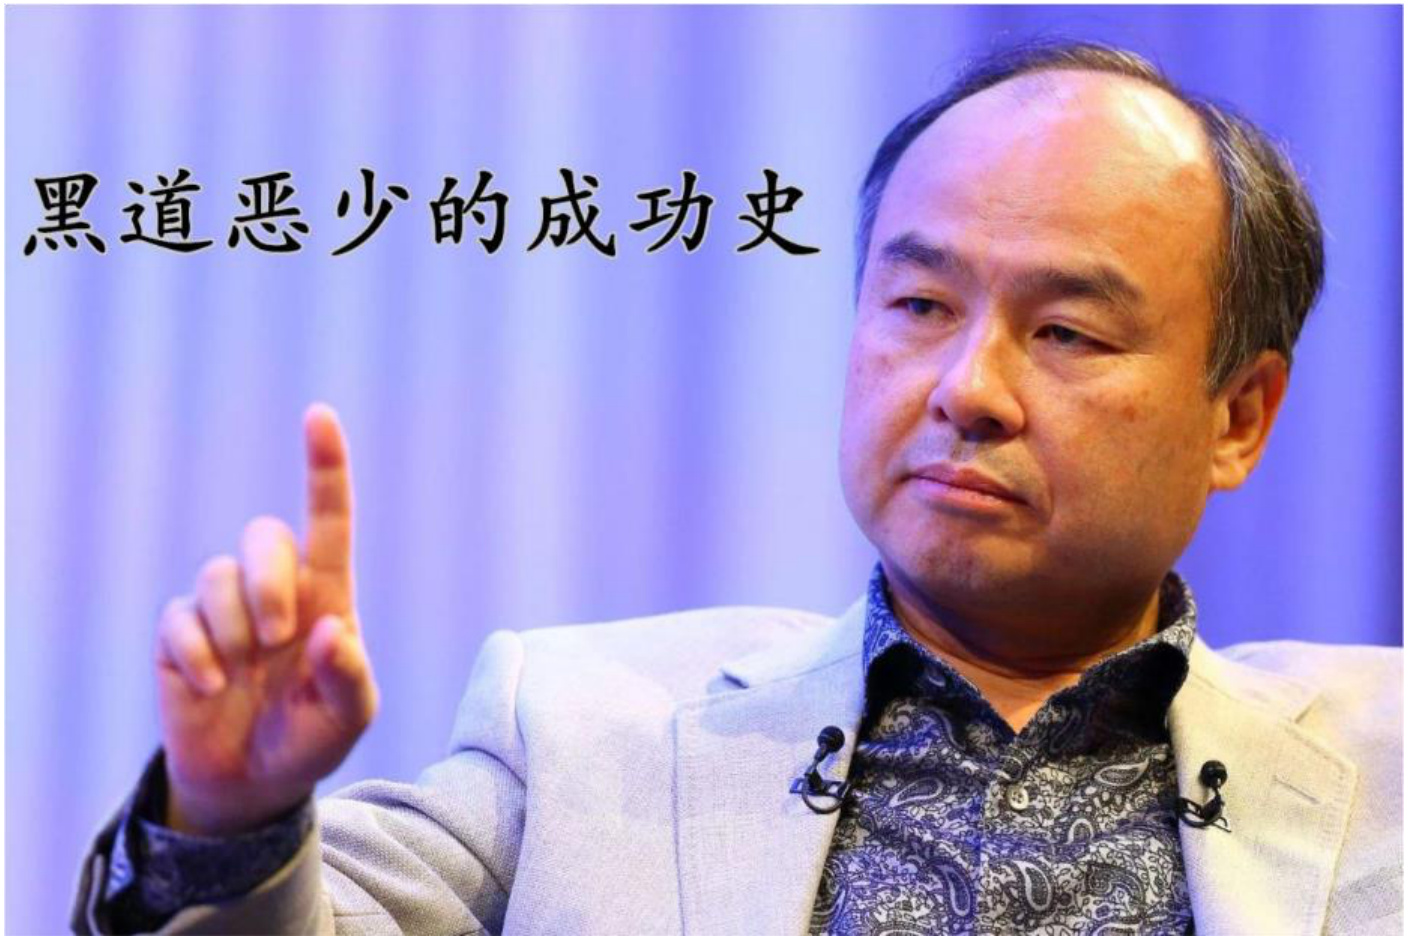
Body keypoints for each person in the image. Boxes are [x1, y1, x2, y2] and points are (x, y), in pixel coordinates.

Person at [73, 40, 1400, 935]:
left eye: (1066, 331)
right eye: (920, 305)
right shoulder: (582, 728)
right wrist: (231, 817)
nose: (968, 388)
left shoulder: (1381, 762)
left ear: (1239, 417)